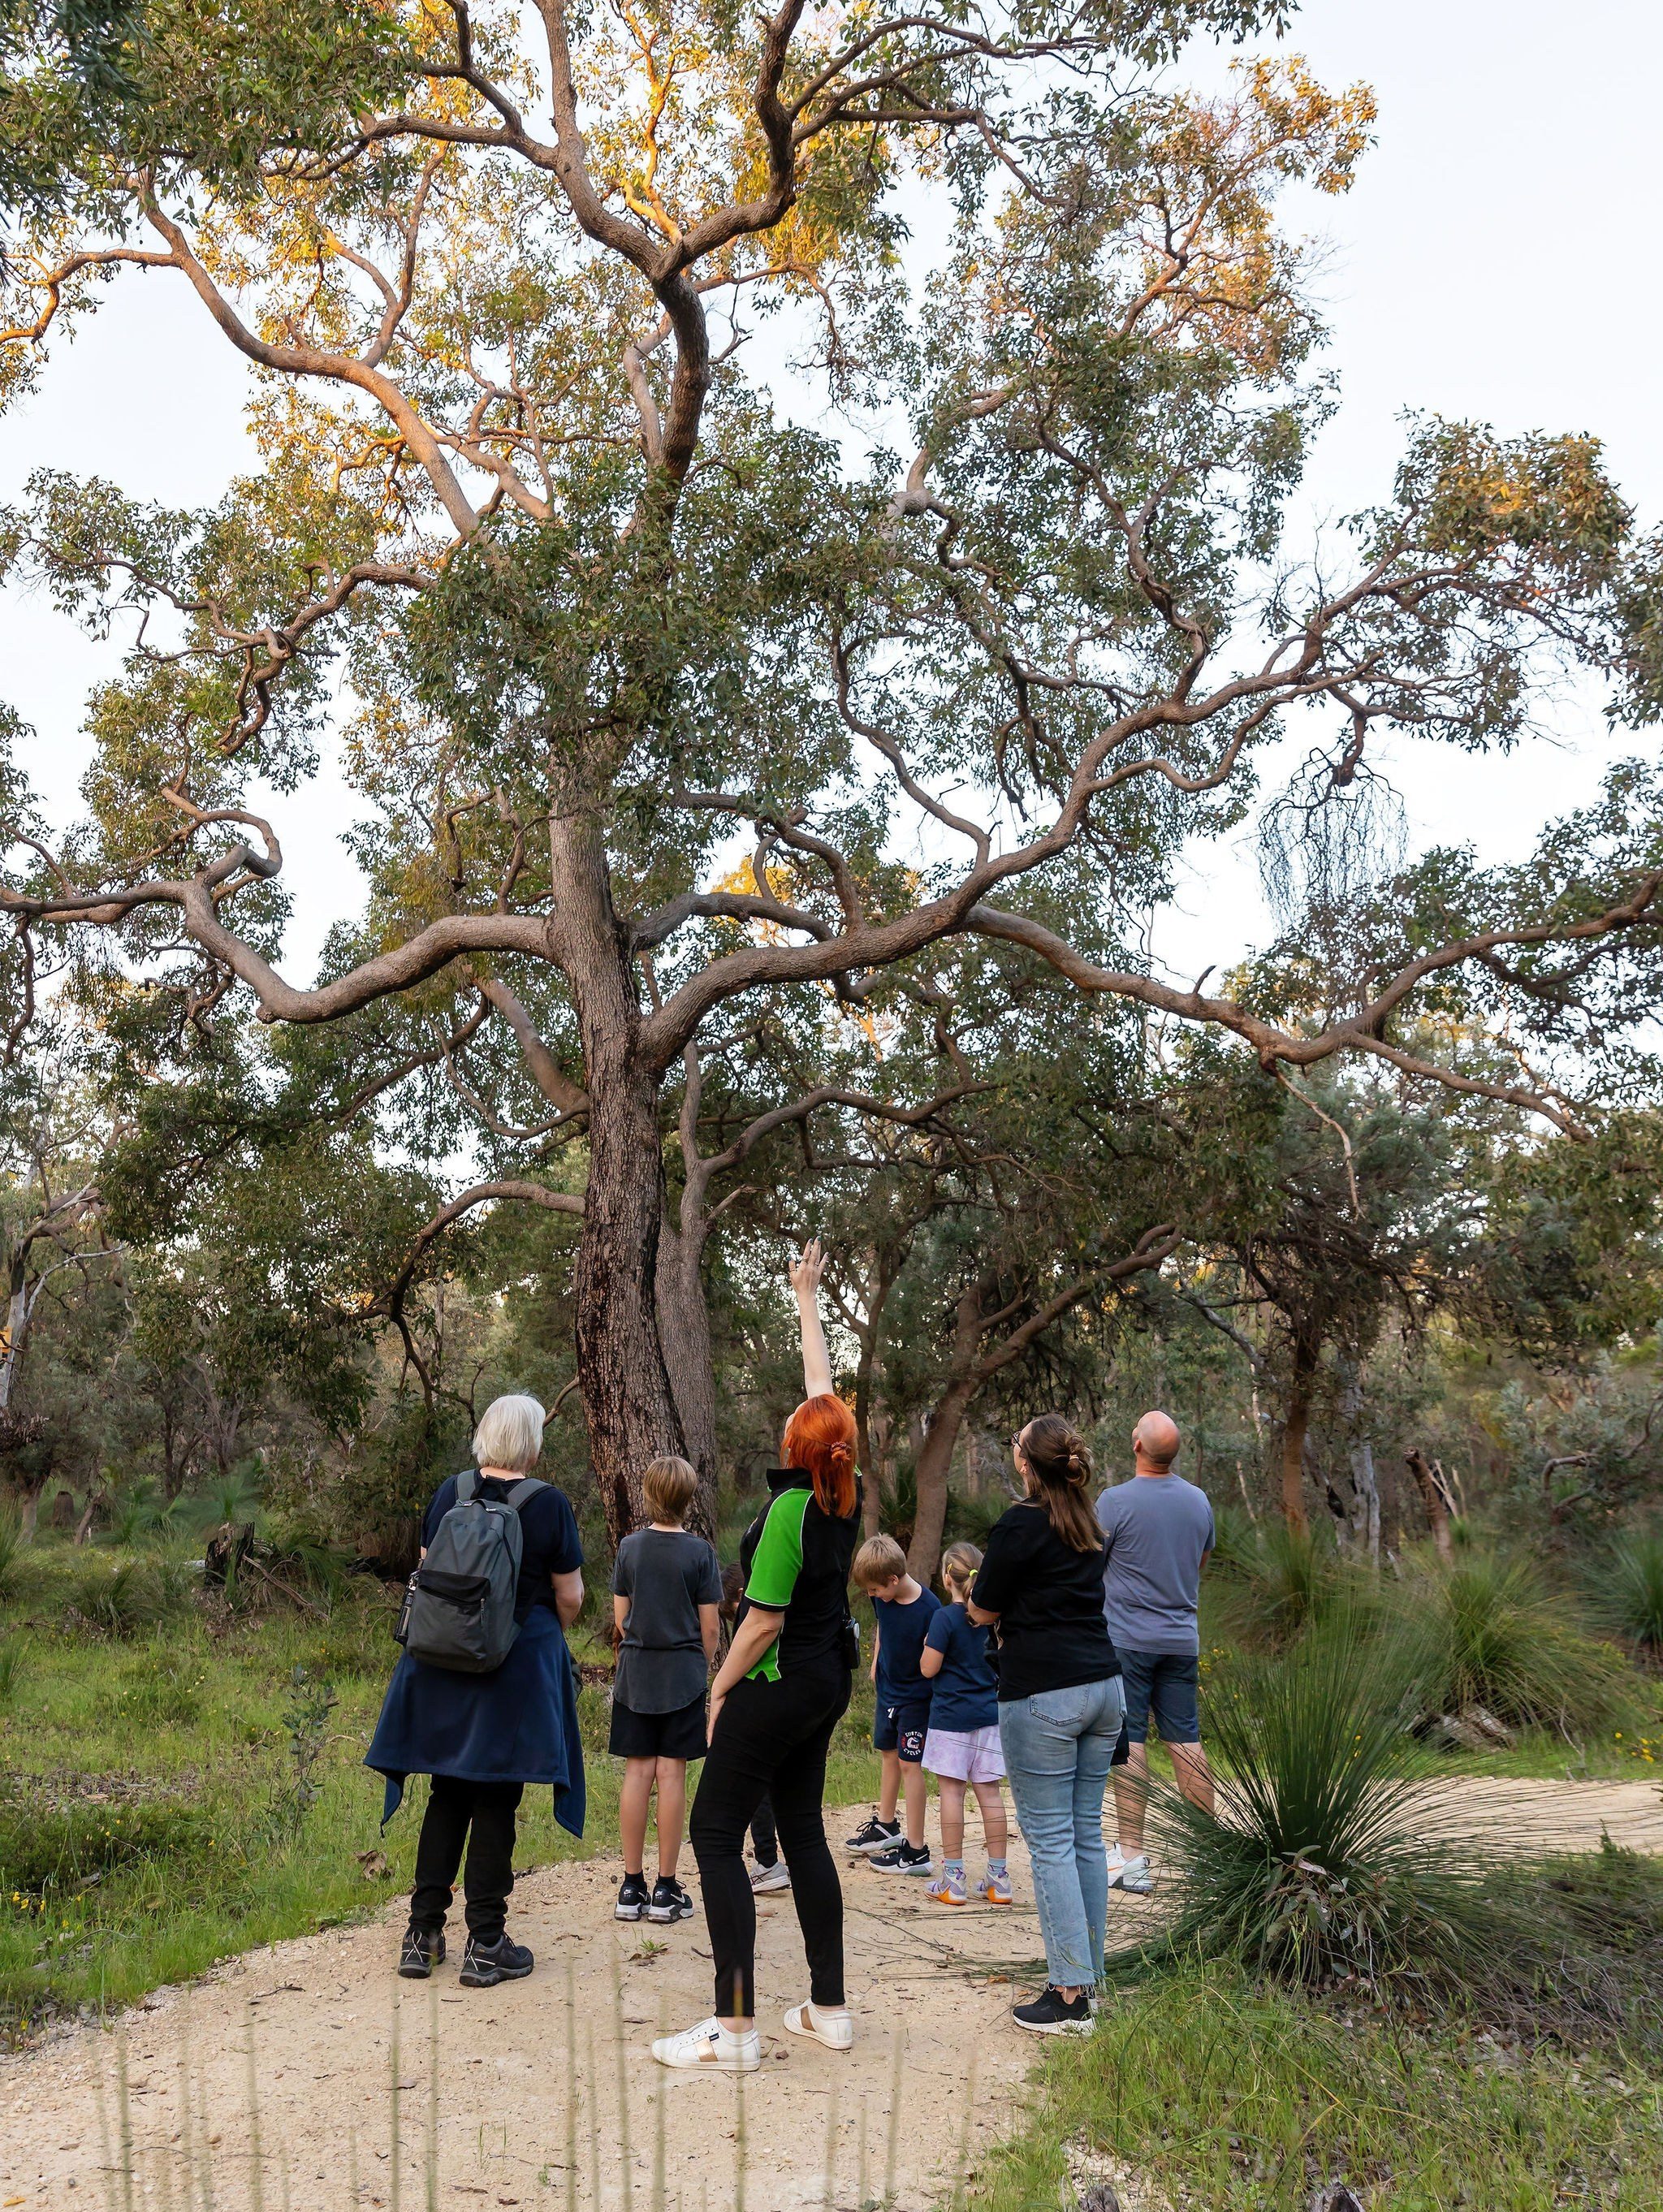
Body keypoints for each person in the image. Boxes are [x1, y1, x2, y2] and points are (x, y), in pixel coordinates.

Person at [654, 1241, 862, 2072]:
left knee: (712, 1832)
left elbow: (760, 1623)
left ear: (796, 1446)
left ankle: (732, 2029)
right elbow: (823, 1402)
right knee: (804, 1832)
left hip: (777, 1682)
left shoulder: (786, 1513)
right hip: (829, 1684)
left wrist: (717, 1689)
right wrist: (806, 1300)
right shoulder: (842, 1492)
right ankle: (829, 2010)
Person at [367, 1393, 585, 1990]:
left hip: (439, 1667)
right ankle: (486, 1945)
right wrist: (539, 1637)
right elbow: (570, 1597)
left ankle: (422, 1934)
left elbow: (427, 1573)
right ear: (532, 1443)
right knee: (495, 1798)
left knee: (447, 1792)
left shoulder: (449, 1492)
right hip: (511, 1669)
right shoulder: (549, 1505)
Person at [968, 1415, 1123, 2036]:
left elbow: (982, 1606)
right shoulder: (1089, 1525)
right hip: (1104, 1687)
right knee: (1085, 1835)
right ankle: (1089, 1978)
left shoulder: (1020, 1523)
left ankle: (1068, 1996)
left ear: (1028, 1463)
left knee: (1053, 1841)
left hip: (1043, 1693)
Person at [1099, 1410, 1216, 1897]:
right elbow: (1200, 1563)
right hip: (1181, 1640)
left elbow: (1090, 1563)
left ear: (1137, 1446)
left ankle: (1131, 1857)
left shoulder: (1114, 1502)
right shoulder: (1199, 1502)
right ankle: (1207, 1857)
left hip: (1127, 1641)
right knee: (1185, 1737)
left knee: (1130, 1739)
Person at [611, 1454, 724, 1925]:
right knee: (671, 1775)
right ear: (688, 1498)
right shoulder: (701, 1554)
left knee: (638, 1773)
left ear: (648, 1494)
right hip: (681, 1676)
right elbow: (712, 1631)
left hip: (635, 1674)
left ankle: (630, 1885)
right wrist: (702, 1663)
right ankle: (666, 1887)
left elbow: (620, 1618)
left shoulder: (629, 1548)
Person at [919, 1542, 1010, 1907]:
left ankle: (954, 1878)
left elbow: (928, 1668)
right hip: (990, 1717)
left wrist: (927, 1645)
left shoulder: (944, 1618)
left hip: (951, 1719)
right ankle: (998, 1878)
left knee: (953, 1794)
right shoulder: (994, 1617)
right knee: (990, 1795)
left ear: (946, 1578)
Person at [849, 1533, 939, 1875]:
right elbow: (882, 1628)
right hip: (889, 1689)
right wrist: (877, 1661)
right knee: (888, 1753)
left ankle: (916, 1851)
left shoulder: (930, 1609)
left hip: (916, 1699)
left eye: (875, 1590)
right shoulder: (882, 1599)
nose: (872, 1597)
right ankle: (887, 1825)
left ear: (892, 1579)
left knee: (909, 1765)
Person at [719, 1562, 789, 1894]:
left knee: (759, 1789)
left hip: (763, 1703)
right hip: (790, 1703)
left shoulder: (757, 1616)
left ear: (740, 1594)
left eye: (732, 1609)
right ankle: (786, 1859)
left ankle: (767, 1861)